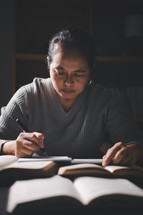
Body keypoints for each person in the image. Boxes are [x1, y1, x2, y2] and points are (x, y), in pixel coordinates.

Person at [0, 27, 143, 167]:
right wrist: (12, 146)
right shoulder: (28, 96)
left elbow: (136, 141)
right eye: (60, 72)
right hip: (38, 177)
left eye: (79, 74)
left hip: (88, 176)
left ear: (91, 69)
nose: (68, 82)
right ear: (49, 64)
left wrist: (130, 152)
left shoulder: (103, 99)